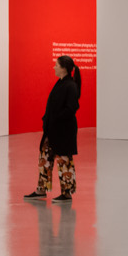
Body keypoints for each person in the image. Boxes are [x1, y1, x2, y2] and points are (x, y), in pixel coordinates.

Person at [27, 55, 82, 201]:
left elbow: (71, 108)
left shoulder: (70, 85)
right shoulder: (61, 82)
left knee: (64, 159)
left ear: (63, 68)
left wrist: (56, 118)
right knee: (45, 157)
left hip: (64, 130)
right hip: (53, 129)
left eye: (56, 65)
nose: (54, 67)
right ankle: (41, 189)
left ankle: (66, 193)